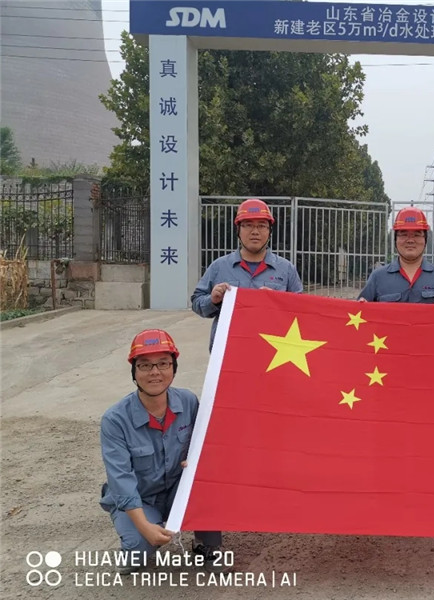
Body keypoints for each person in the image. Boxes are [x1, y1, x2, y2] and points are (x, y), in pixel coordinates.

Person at [100, 329, 222, 574]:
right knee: (137, 550)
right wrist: (144, 526)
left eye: (163, 363)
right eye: (145, 365)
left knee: (210, 482)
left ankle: (205, 543)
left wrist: (197, 462)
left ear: (173, 368)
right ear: (134, 372)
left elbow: (205, 445)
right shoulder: (115, 420)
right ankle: (135, 542)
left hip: (178, 490)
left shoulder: (188, 402)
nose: (155, 372)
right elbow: (121, 479)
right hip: (141, 497)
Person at [192, 199, 302, 351]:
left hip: (272, 353)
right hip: (229, 351)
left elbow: (301, 311)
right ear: (238, 230)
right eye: (248, 225)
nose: (255, 231)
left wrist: (278, 301)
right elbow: (197, 303)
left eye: (262, 226)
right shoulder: (219, 267)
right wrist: (212, 300)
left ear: (269, 231)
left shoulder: (286, 269)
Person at [359, 207, 434, 304]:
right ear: (395, 240)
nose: (410, 240)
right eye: (404, 235)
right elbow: (359, 314)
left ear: (425, 240)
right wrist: (362, 306)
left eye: (417, 235)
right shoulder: (378, 277)